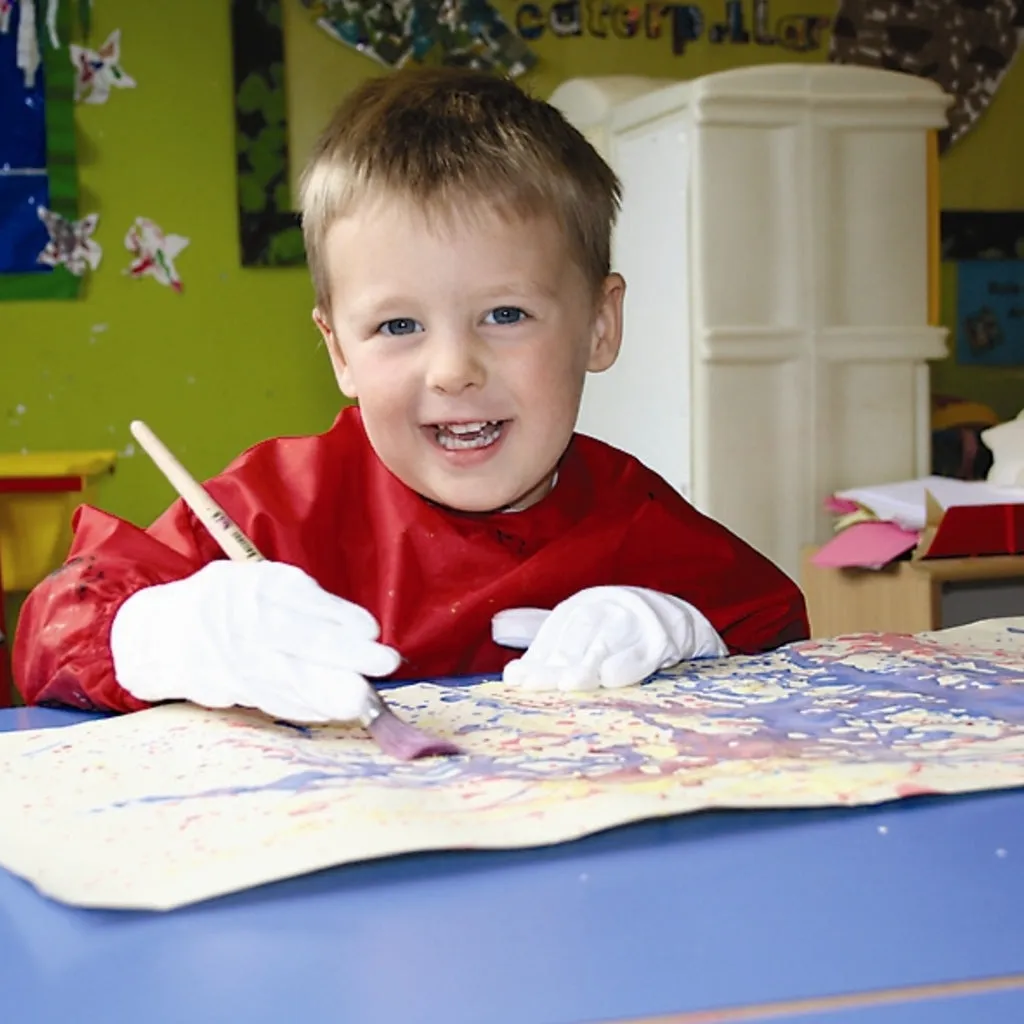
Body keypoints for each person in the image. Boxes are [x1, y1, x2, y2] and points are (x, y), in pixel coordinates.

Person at [13, 68, 808, 725]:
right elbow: (52, 630)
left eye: (505, 314)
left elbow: (784, 636)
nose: (453, 368)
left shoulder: (635, 522)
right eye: (398, 324)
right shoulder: (276, 508)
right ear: (339, 351)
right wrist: (167, 634)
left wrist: (681, 630)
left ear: (600, 326)